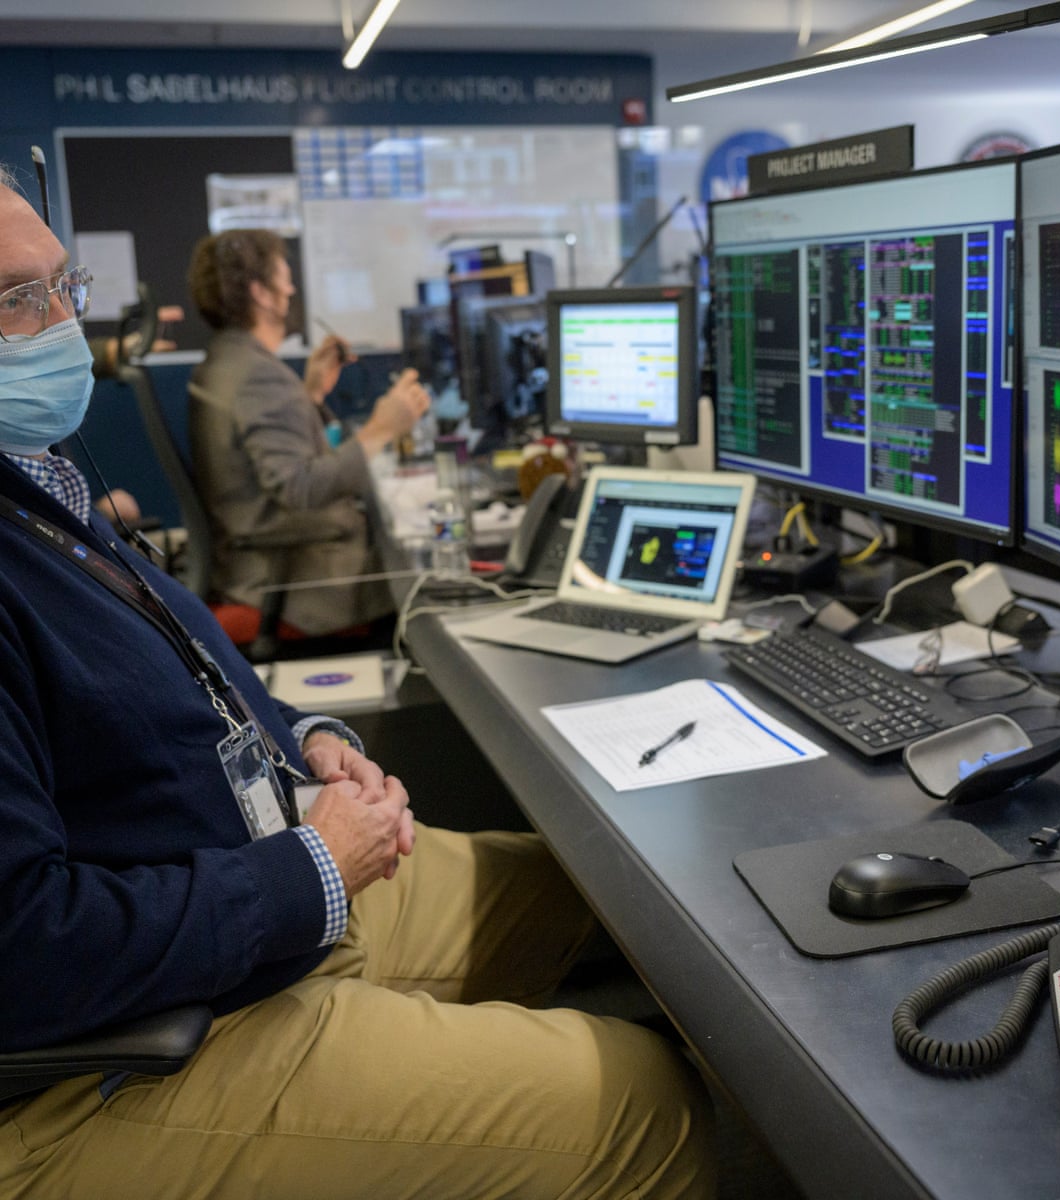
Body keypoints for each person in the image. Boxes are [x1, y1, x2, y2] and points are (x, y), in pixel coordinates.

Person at [0, 171, 716, 1197]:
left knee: (596, 896)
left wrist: (309, 740)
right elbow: (24, 950)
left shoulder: (40, 482)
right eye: (20, 299)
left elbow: (173, 672)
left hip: (238, 893)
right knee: (646, 1105)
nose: (63, 322)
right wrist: (312, 869)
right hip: (120, 1052)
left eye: (64, 285)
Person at [187, 229, 429, 636]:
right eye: (284, 278)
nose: (291, 289)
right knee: (428, 595)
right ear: (261, 293)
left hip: (257, 565)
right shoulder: (260, 377)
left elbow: (262, 454)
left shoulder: (228, 362)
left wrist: (310, 393)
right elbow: (298, 487)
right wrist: (381, 428)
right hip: (297, 583)